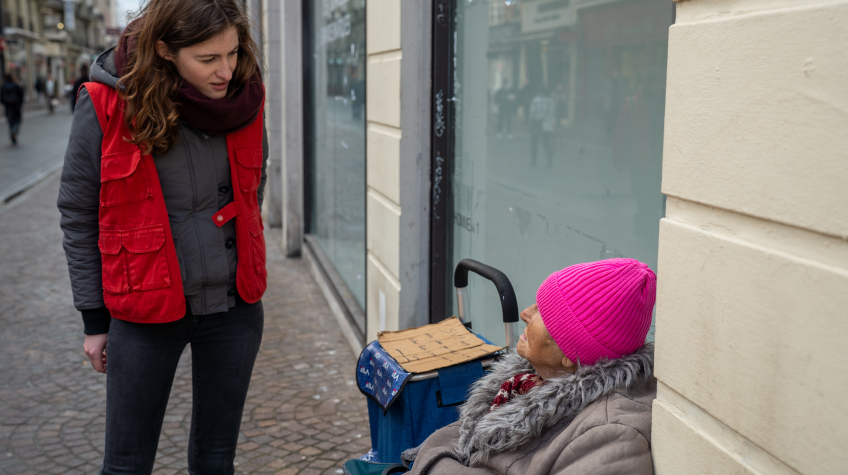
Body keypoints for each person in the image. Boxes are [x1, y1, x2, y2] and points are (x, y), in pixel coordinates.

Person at [56, 0, 268, 472]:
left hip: (234, 308)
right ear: (166, 50)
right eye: (208, 59)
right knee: (127, 464)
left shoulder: (246, 100)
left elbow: (253, 186)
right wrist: (94, 320)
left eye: (233, 53)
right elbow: (78, 214)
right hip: (144, 313)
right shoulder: (105, 103)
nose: (226, 71)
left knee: (217, 461)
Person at [401, 258, 657, 475]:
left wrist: (434, 461)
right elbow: (472, 438)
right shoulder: (529, 379)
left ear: (571, 352)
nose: (525, 313)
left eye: (543, 312)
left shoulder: (611, 435)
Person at [1, 73, 25, 145]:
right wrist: (19, 104)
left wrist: (6, 103)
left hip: (8, 107)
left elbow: (1, 98)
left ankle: (12, 131)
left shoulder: (3, 86)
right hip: (16, 107)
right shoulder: (15, 86)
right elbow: (21, 96)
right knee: (17, 120)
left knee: (10, 121)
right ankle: (15, 131)